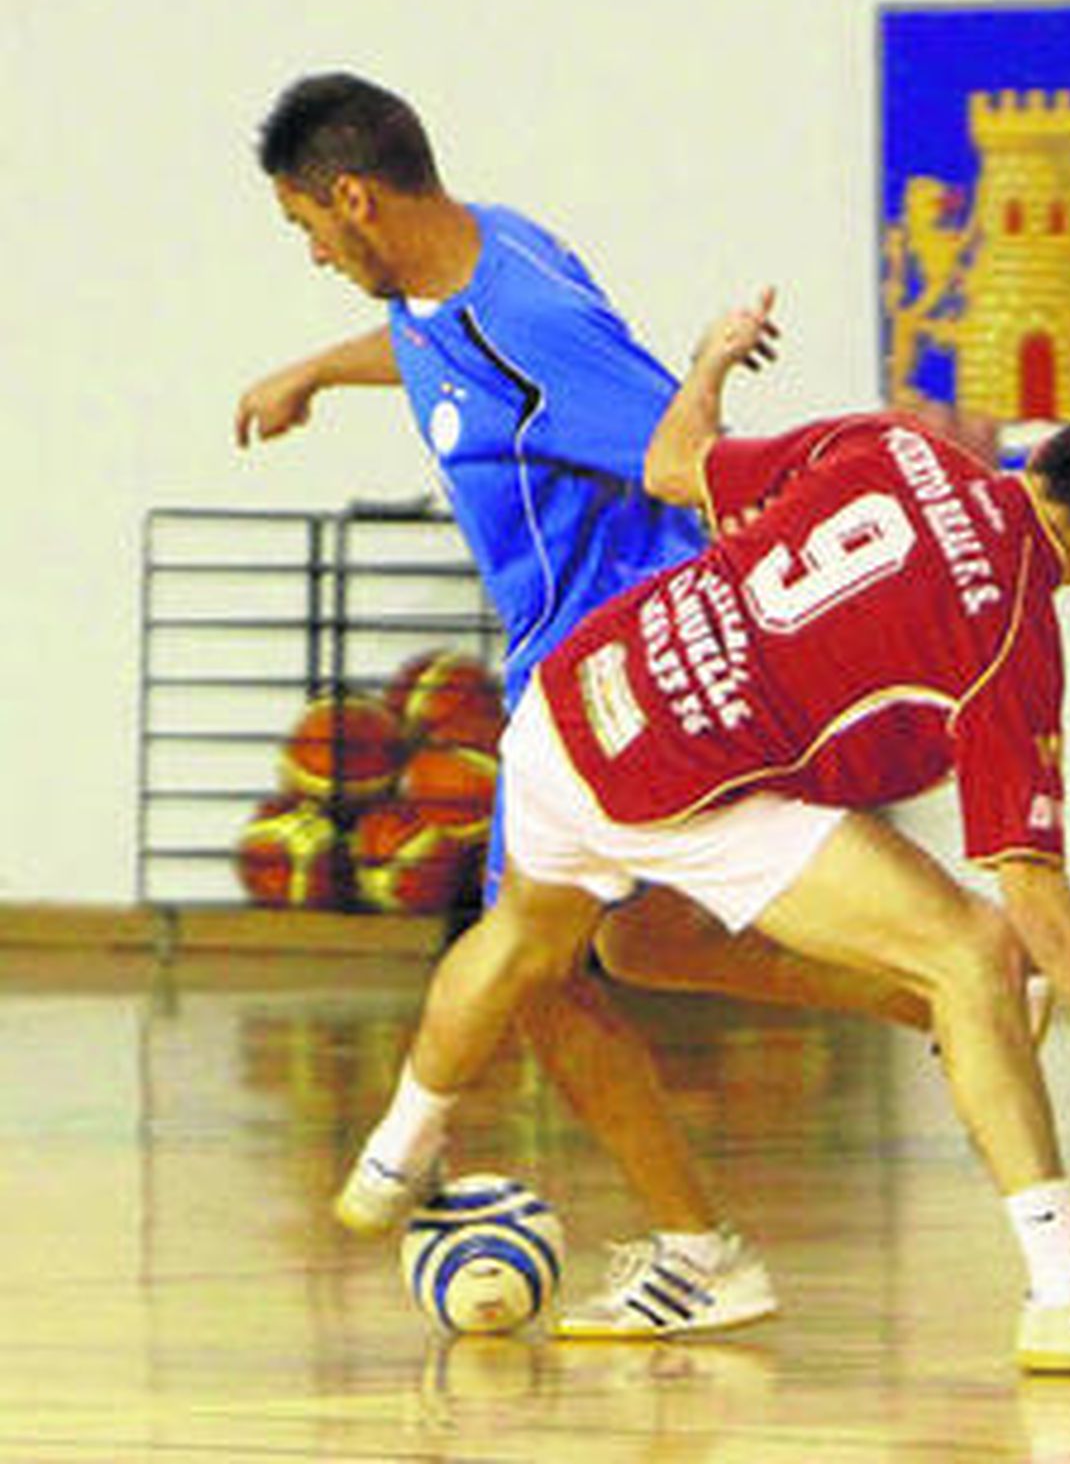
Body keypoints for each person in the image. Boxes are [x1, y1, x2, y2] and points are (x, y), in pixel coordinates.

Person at [335, 289, 1070, 1373]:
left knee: (598, 944)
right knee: (976, 951)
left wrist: (711, 363)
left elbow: (675, 465)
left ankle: (401, 1152)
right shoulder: (1013, 630)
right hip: (670, 781)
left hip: (575, 695)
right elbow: (1038, 895)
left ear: (1046, 453)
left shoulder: (888, 447)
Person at [234, 73, 973, 1327]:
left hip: (611, 679)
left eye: (306, 222)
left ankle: (437, 1168)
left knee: (531, 966)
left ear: (354, 197)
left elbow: (682, 462)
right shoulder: (479, 256)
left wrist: (716, 387)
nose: (308, 249)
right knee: (638, 942)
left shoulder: (519, 319)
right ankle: (943, 1001)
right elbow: (422, 345)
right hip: (586, 666)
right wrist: (314, 369)